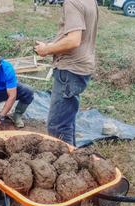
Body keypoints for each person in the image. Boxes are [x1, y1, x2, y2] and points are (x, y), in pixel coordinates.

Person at [34, 0, 98, 146]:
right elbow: (78, 36)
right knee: (67, 122)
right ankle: (72, 156)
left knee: (58, 126)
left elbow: (73, 40)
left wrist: (46, 50)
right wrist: (53, 45)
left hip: (69, 70)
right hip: (81, 66)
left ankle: (66, 165)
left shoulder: (72, 2)